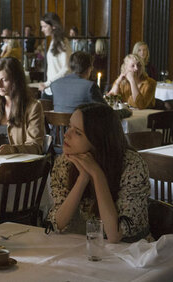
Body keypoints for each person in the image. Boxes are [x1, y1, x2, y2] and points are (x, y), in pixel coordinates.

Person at [47, 103, 150, 242]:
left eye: (77, 132)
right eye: (69, 126)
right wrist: (83, 178)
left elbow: (115, 234)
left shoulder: (131, 164)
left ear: (98, 139)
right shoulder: (64, 162)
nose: (66, 134)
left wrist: (97, 174)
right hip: (86, 249)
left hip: (131, 252)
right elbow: (58, 223)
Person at [0, 57, 45, 154]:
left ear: (16, 81)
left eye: (4, 80)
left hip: (19, 164)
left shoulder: (33, 107)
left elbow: (36, 147)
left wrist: (13, 149)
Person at [37, 12, 71, 97]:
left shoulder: (63, 42)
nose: (42, 29)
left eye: (44, 27)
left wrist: (47, 83)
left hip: (59, 89)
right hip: (51, 88)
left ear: (54, 26)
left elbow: (66, 68)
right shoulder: (53, 41)